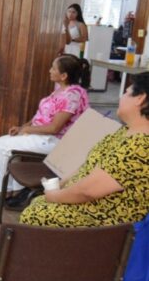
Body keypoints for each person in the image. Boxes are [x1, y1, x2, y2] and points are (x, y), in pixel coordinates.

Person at [20, 73, 149, 227]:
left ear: (140, 98)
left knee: (35, 215)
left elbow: (89, 191)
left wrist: (55, 196)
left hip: (103, 223)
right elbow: (91, 163)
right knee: (37, 203)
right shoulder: (127, 131)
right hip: (86, 206)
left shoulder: (140, 146)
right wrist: (62, 184)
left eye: (126, 92)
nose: (121, 98)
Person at [0, 54, 91, 207]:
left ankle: (8, 192)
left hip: (56, 141)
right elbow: (41, 114)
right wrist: (23, 127)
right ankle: (13, 191)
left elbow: (54, 128)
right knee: (5, 143)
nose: (49, 71)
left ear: (63, 76)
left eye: (53, 68)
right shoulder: (60, 89)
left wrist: (27, 129)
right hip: (42, 135)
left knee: (3, 145)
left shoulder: (72, 96)